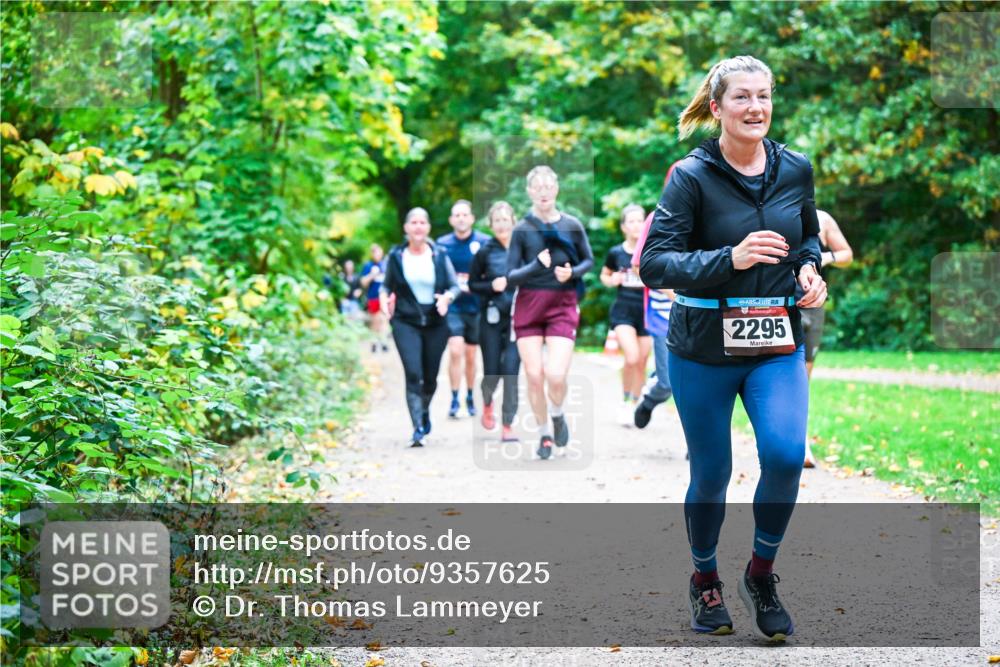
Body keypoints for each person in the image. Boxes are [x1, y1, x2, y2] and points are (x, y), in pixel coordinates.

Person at [639, 55, 826, 641]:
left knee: (785, 454)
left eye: (764, 96)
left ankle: (761, 574)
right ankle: (704, 579)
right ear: (716, 108)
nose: (756, 108)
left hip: (775, 340)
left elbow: (809, 236)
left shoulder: (795, 169)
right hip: (702, 347)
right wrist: (731, 258)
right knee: (713, 470)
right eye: (742, 97)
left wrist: (811, 270)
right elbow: (655, 264)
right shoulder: (690, 177)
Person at [507, 165, 594, 460]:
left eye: (548, 186)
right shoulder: (521, 230)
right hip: (529, 306)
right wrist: (536, 265)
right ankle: (544, 433)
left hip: (562, 304)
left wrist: (571, 273)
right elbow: (510, 276)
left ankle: (557, 414)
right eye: (537, 187)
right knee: (534, 375)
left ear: (556, 189)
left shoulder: (572, 224)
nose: (543, 192)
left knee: (555, 375)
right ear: (530, 191)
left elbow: (588, 261)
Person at [380, 208, 460, 447]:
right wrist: (384, 300)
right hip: (405, 321)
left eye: (422, 222)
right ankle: (417, 427)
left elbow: (455, 287)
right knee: (413, 373)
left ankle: (424, 410)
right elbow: (386, 286)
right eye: (413, 222)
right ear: (406, 228)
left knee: (430, 377)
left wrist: (447, 298)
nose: (417, 227)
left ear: (428, 228)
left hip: (435, 322)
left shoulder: (439, 254)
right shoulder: (396, 256)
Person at [800, 210, 853, 468]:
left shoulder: (822, 219)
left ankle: (801, 441)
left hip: (813, 304)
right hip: (780, 304)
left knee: (804, 377)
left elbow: (847, 255)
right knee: (786, 374)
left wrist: (825, 257)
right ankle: (793, 443)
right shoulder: (773, 211)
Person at [468, 201, 520, 442]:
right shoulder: (484, 251)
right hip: (491, 319)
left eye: (505, 219)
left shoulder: (523, 248)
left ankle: (507, 424)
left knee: (510, 371)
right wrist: (491, 286)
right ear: (490, 225)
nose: (501, 224)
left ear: (513, 221)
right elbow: (472, 284)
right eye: (496, 220)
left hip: (518, 320)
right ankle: (487, 401)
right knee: (492, 372)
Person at [437, 200, 491, 418]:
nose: (460, 218)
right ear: (451, 220)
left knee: (471, 355)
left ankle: (469, 396)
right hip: (453, 306)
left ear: (471, 218)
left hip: (476, 306)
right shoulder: (442, 245)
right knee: (455, 350)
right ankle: (453, 397)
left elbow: (492, 269)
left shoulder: (484, 242)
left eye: (464, 215)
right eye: (456, 215)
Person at [600, 204, 653, 426]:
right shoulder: (616, 252)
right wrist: (611, 280)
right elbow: (605, 274)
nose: (636, 225)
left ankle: (634, 403)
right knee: (630, 357)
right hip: (623, 310)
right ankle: (624, 401)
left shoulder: (651, 250)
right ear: (623, 227)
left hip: (647, 312)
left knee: (641, 362)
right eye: (630, 221)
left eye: (640, 220)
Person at [360, 244, 389, 352]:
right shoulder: (368, 266)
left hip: (385, 297)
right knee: (375, 320)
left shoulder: (385, 265)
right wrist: (372, 275)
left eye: (379, 252)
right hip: (373, 297)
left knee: (384, 319)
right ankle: (374, 341)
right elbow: (363, 283)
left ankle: (384, 341)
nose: (378, 255)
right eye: (375, 252)